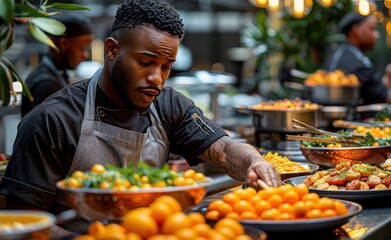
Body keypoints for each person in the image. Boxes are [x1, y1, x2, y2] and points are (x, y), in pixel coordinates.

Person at [0, 0, 281, 234]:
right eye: (145, 63)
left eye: (166, 67)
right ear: (112, 49)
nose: (156, 79)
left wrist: (254, 162)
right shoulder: (53, 120)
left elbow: (225, 150)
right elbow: (24, 223)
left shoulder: (168, 105)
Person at [21, 14, 94, 116]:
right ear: (63, 44)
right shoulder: (46, 84)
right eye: (82, 49)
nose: (86, 55)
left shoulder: (52, 75)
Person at [323, 11, 391, 105]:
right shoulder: (358, 62)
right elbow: (385, 97)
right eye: (372, 29)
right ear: (356, 30)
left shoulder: (339, 54)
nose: (377, 35)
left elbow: (373, 87)